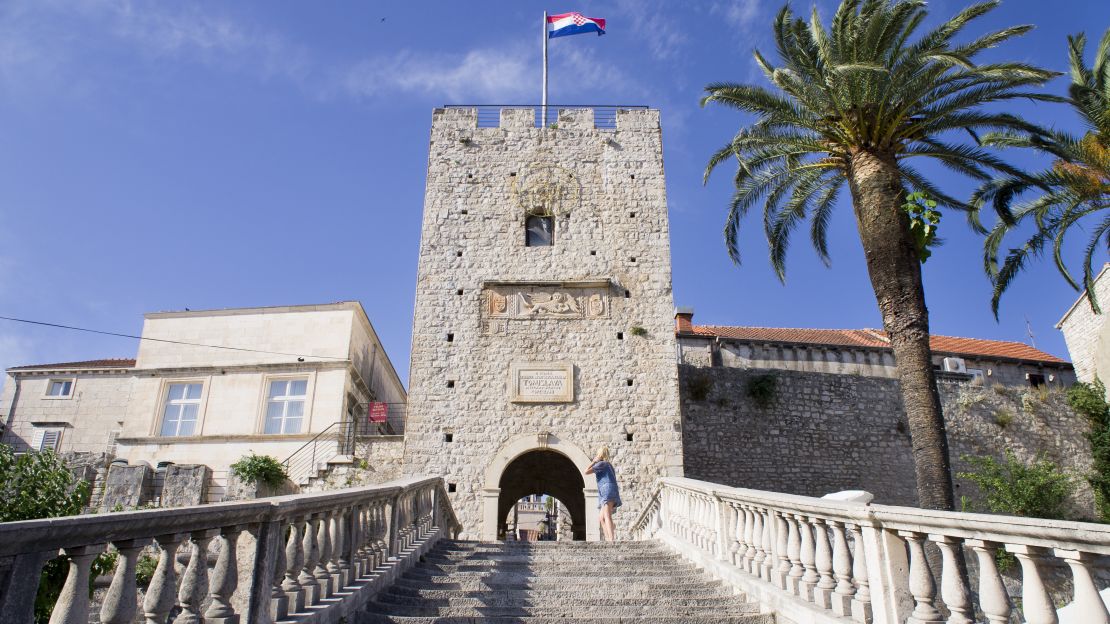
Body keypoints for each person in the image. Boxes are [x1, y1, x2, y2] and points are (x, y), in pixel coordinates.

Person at [585, 445, 621, 541]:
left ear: (600, 455)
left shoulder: (601, 464)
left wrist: (593, 461)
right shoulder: (609, 465)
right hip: (608, 490)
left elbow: (586, 471)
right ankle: (608, 537)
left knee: (606, 516)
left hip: (606, 490)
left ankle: (611, 539)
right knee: (601, 518)